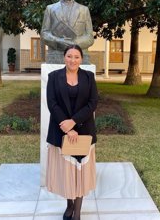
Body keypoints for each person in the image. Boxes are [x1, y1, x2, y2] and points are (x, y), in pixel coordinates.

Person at [45, 45, 98, 220]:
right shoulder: (53, 77)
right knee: (68, 172)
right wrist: (66, 127)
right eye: (69, 56)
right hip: (62, 132)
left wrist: (73, 122)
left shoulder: (89, 77)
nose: (72, 60)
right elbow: (52, 103)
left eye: (76, 57)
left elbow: (92, 103)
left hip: (83, 131)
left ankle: (77, 213)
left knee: (80, 173)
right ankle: (69, 206)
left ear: (81, 59)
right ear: (64, 57)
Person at [40, 0, 94, 64]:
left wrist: (73, 43)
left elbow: (90, 37)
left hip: (77, 54)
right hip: (55, 54)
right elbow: (44, 34)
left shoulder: (84, 10)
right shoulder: (50, 9)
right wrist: (59, 41)